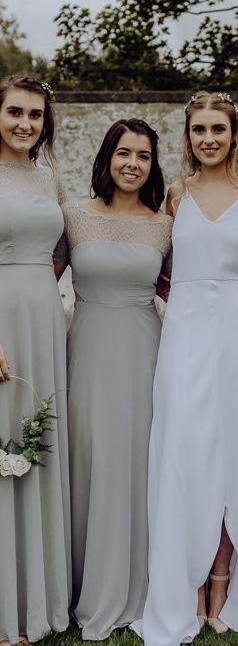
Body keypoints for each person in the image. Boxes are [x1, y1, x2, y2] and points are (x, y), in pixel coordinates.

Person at [132, 91, 238, 646]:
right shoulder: (175, 196)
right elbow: (163, 270)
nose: (209, 138)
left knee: (236, 457)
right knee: (183, 454)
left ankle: (222, 585)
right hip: (184, 336)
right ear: (188, 136)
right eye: (199, 130)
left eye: (218, 128)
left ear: (234, 133)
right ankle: (185, 586)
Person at [60, 118, 171, 640]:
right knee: (87, 460)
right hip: (86, 352)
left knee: (136, 461)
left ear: (153, 164)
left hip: (145, 354)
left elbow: (188, 289)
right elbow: (37, 277)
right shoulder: (72, 217)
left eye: (143, 156)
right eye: (123, 153)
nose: (132, 164)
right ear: (106, 159)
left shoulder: (165, 224)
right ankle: (81, 583)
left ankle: (137, 585)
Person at [0, 75, 70, 645]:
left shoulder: (49, 176)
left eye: (36, 115)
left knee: (37, 443)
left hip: (44, 320)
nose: (26, 123)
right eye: (15, 112)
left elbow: (62, 251)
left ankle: (37, 602)